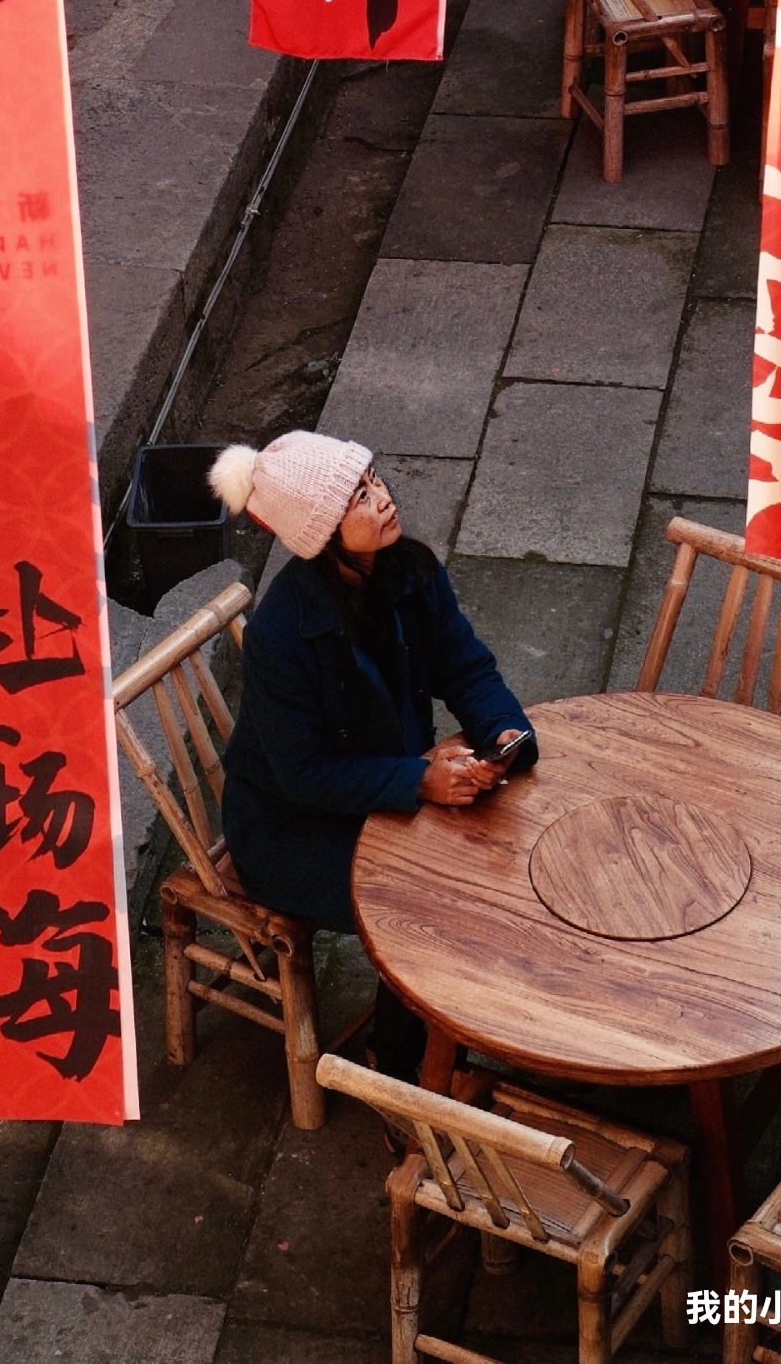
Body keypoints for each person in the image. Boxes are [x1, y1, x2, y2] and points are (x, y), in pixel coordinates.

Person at [210, 429, 534, 1077]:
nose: (382, 497)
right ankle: (399, 1062)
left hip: (378, 786)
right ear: (321, 531)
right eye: (358, 496)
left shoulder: (411, 570)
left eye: (375, 480)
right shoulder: (282, 635)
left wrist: (503, 733)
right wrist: (418, 780)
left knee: (497, 853)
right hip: (292, 829)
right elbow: (303, 774)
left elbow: (465, 668)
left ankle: (460, 1028)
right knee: (427, 903)